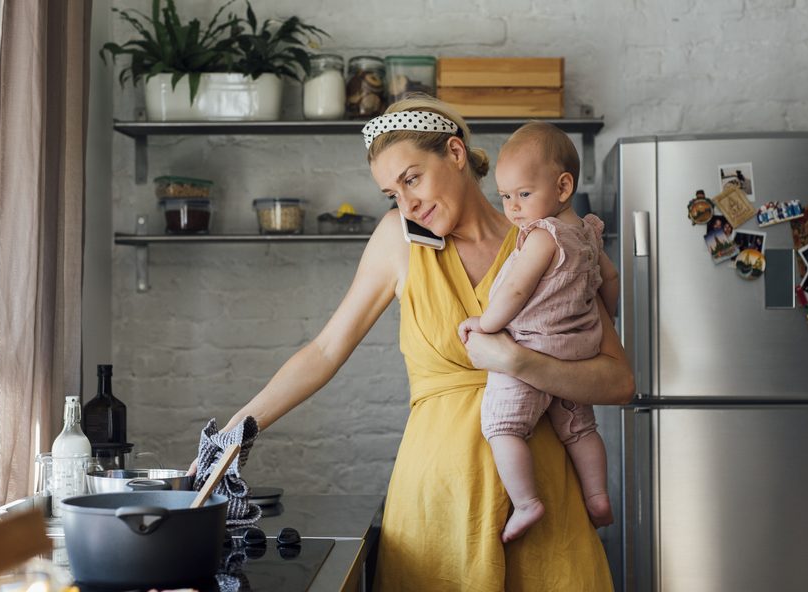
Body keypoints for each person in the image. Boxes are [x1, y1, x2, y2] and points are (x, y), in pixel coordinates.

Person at [202, 96, 635, 590]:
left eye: (412, 179)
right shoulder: (399, 239)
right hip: (438, 504)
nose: (407, 204)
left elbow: (619, 382)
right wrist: (231, 437)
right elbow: (324, 351)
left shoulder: (549, 240)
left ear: (455, 153)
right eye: (392, 193)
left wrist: (517, 361)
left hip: (543, 504)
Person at [457, 122, 619, 543]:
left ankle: (526, 502)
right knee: (580, 429)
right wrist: (609, 318)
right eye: (505, 196)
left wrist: (486, 324)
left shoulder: (542, 236)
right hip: (577, 352)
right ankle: (598, 495)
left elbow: (515, 289)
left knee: (502, 427)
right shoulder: (587, 233)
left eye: (523, 194)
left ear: (563, 187)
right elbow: (612, 278)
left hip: (531, 345)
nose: (512, 208)